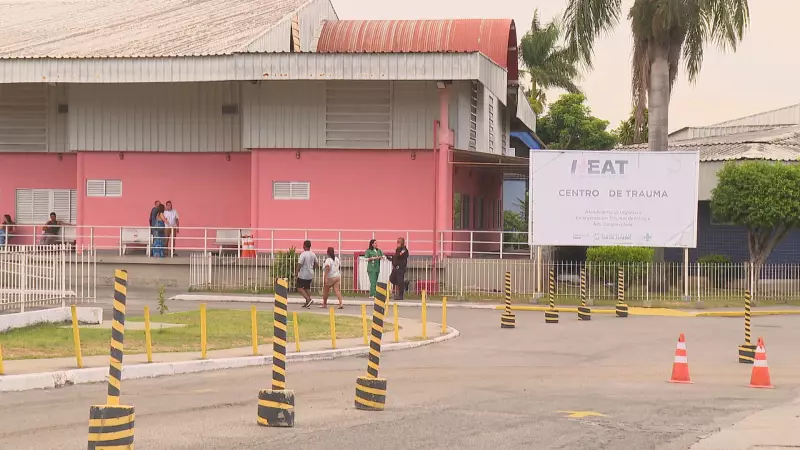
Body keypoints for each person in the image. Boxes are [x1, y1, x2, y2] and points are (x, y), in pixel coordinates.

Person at [296, 240, 318, 308]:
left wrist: (296, 273)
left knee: (299, 288)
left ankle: (308, 299)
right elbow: (316, 264)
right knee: (307, 288)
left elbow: (299, 264)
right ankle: (307, 302)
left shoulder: (303, 254)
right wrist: (312, 269)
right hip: (310, 274)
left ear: (304, 246)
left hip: (303, 274)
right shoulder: (313, 254)